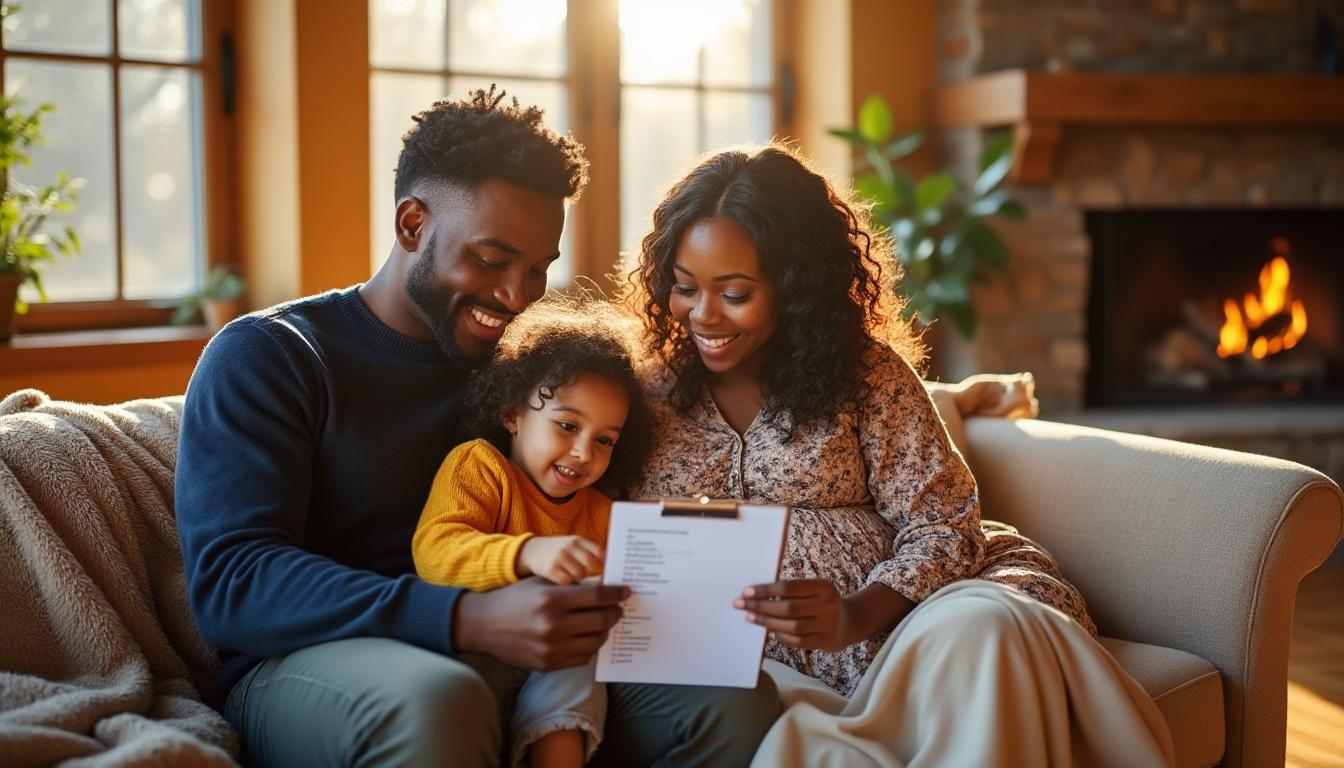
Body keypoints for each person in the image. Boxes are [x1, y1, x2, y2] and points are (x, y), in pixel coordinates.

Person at [175, 87, 781, 768]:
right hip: (314, 663)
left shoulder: (529, 371)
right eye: (491, 261)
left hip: (522, 652)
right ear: (412, 225)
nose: (517, 295)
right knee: (438, 700)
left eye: (537, 269)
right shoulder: (273, 355)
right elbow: (233, 582)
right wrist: (463, 618)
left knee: (735, 699)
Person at [621, 144, 1176, 767]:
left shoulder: (864, 374)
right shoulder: (642, 396)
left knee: (990, 629)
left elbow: (943, 523)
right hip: (747, 656)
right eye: (685, 288)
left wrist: (855, 615)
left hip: (909, 617)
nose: (704, 315)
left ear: (796, 285)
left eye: (735, 293)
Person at [411, 297, 649, 767]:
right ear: (512, 414)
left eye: (604, 440)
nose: (583, 452)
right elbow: (433, 552)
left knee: (578, 645)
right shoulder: (480, 467)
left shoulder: (602, 513)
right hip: (473, 657)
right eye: (566, 425)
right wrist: (527, 554)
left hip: (559, 676)